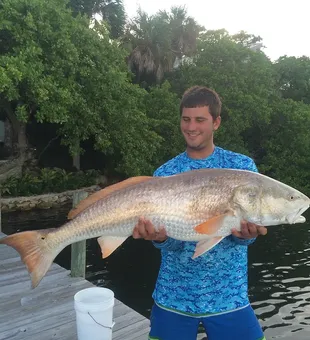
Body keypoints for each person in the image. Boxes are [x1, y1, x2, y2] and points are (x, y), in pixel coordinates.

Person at [132, 86, 267, 340]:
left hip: (228, 294)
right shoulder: (166, 173)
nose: (191, 127)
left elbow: (245, 236)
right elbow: (171, 243)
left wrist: (245, 236)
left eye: (200, 120)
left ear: (216, 122)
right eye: (186, 119)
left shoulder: (242, 168)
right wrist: (160, 239)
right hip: (174, 293)